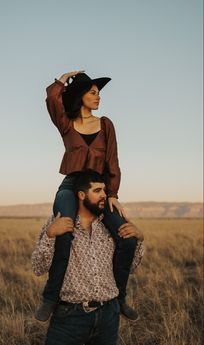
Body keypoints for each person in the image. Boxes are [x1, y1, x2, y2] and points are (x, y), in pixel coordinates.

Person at [35, 70, 140, 321]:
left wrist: (112, 193)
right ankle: (50, 297)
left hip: (100, 188)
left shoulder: (106, 124)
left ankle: (120, 296)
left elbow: (113, 160)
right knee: (64, 231)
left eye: (98, 93)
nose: (98, 97)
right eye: (93, 92)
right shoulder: (67, 124)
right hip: (71, 186)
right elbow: (52, 100)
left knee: (127, 238)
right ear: (81, 96)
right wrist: (62, 79)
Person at [32, 171, 144, 345]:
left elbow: (131, 267)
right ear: (81, 195)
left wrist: (138, 240)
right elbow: (38, 268)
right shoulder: (58, 222)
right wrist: (50, 235)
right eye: (97, 191)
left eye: (105, 191)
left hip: (108, 315)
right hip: (69, 318)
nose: (104, 196)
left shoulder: (111, 226)